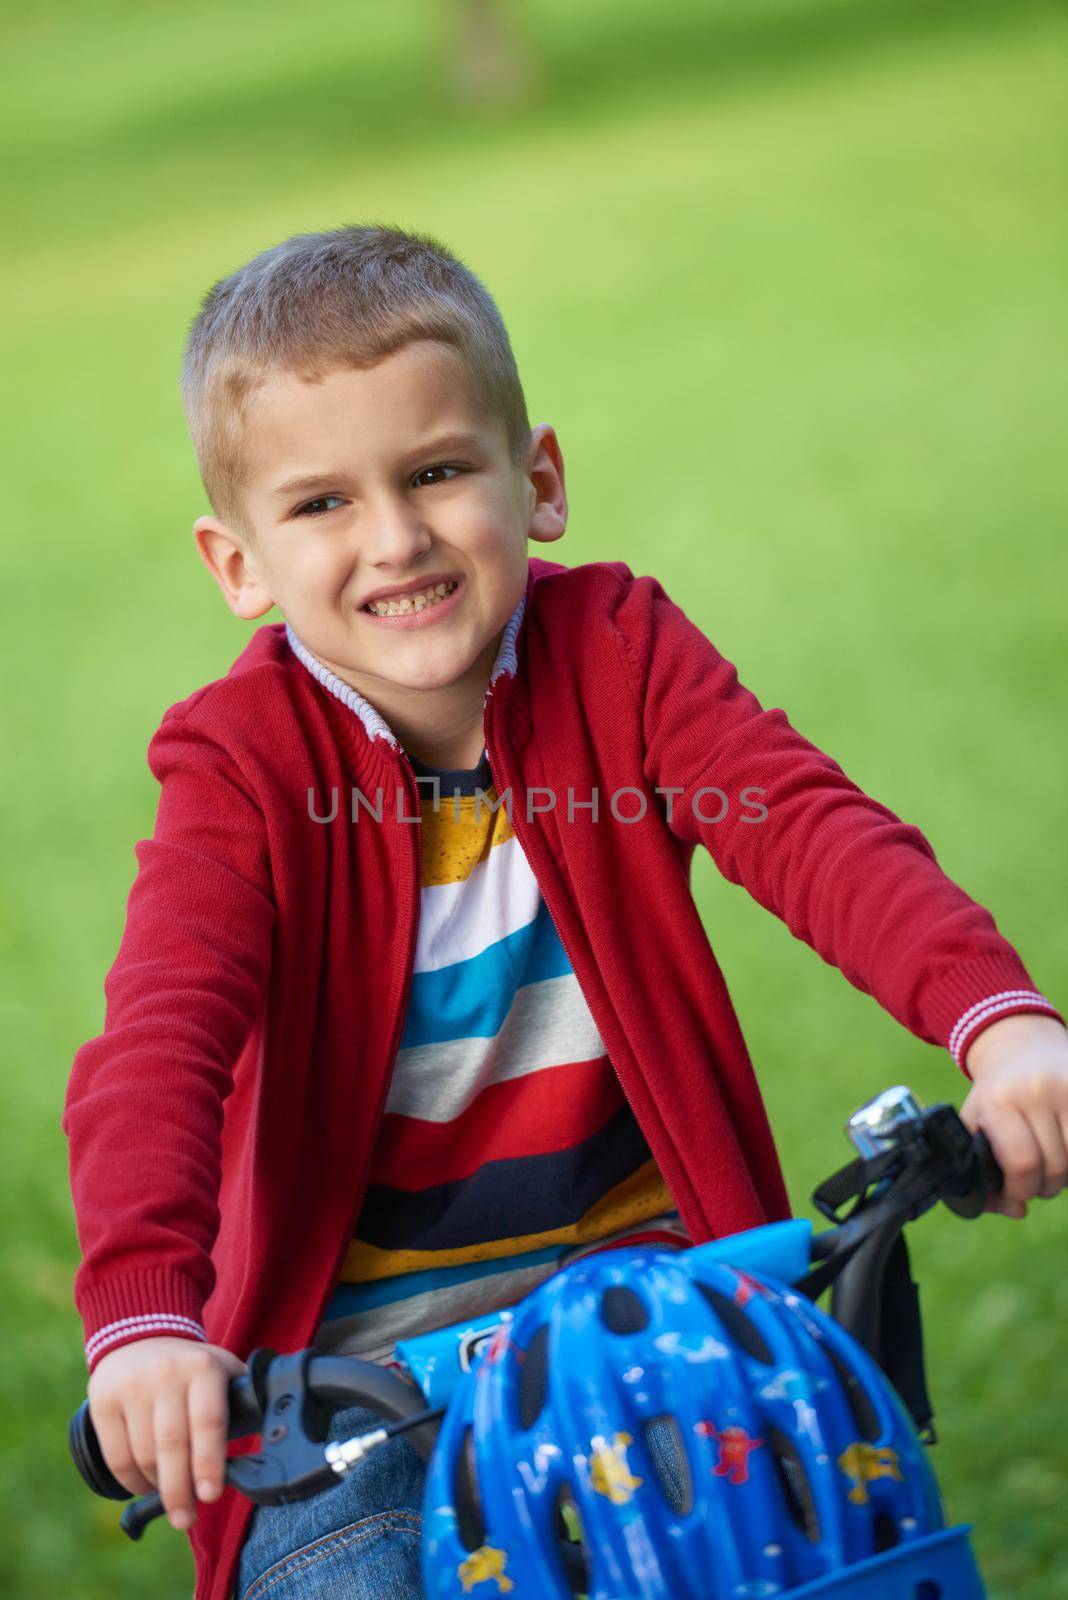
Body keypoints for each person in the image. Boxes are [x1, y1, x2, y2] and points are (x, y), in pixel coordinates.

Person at [62, 224, 1068, 1600]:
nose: (397, 538)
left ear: (536, 481)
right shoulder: (244, 767)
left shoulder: (621, 656)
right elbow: (160, 1043)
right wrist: (146, 1317)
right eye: (321, 506)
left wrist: (998, 1027)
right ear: (237, 564)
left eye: (434, 471)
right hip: (360, 1397)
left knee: (814, 1542)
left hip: (651, 1319)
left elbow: (815, 831)